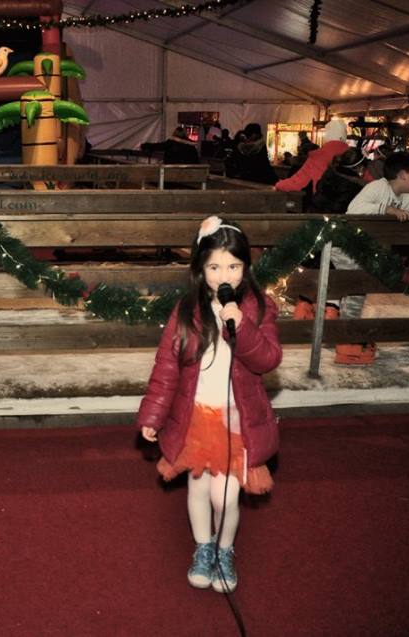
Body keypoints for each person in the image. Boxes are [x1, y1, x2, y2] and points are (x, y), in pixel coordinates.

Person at [137, 216, 282, 594]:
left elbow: (268, 359)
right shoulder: (187, 310)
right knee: (199, 489)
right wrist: (153, 414)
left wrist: (241, 326)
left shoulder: (259, 307)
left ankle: (224, 548)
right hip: (197, 417)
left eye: (233, 266)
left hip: (238, 422)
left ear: (246, 268)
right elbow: (166, 367)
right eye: (215, 266)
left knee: (225, 495)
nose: (225, 276)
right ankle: (204, 547)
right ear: (201, 270)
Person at [275, 120, 349, 194]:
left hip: (324, 201)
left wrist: (278, 184)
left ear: (327, 136)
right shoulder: (352, 156)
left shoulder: (318, 156)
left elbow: (296, 182)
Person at [311, 147, 366, 213]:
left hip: (313, 212)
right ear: (360, 167)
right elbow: (340, 208)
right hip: (330, 219)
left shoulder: (330, 172)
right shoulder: (354, 185)